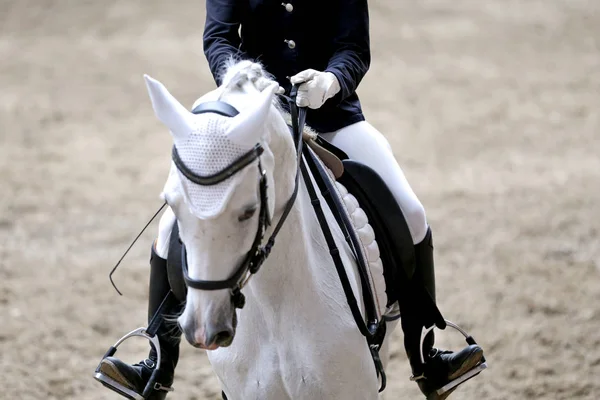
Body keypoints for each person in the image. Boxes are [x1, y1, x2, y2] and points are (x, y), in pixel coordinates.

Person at [96, 1, 484, 399]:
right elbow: (219, 38)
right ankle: (158, 363)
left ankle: (426, 359)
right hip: (249, 119)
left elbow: (353, 48)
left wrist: (330, 82)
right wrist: (247, 84)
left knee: (411, 212)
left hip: (330, 118)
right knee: (169, 226)